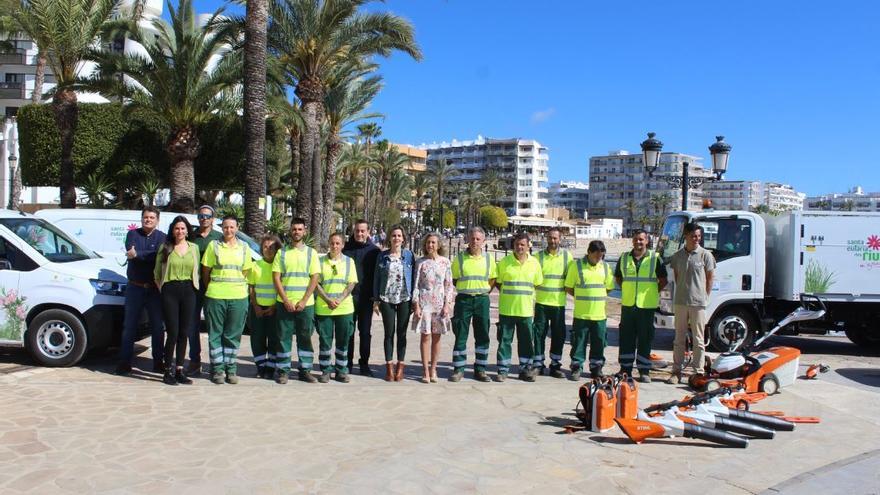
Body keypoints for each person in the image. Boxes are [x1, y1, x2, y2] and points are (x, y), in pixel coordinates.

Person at [201, 215, 254, 384]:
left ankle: (230, 369)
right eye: (225, 227)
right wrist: (213, 287)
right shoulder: (213, 246)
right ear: (221, 228)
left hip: (238, 297)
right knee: (215, 334)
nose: (228, 230)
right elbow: (206, 272)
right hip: (216, 295)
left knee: (233, 335)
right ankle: (217, 370)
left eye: (232, 227)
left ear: (237, 228)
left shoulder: (244, 247)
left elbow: (245, 271)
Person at [115, 206, 166, 375]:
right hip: (135, 287)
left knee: (158, 328)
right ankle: (124, 363)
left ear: (157, 220)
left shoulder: (163, 238)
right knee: (129, 326)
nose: (148, 220)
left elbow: (157, 256)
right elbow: (131, 252)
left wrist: (138, 255)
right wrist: (145, 255)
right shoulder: (132, 234)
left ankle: (158, 362)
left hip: (154, 290)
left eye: (152, 217)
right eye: (145, 217)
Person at [615, 229, 668, 383]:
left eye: (641, 239)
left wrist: (652, 293)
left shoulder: (654, 258)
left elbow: (663, 280)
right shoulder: (624, 258)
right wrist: (627, 290)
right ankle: (625, 369)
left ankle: (644, 370)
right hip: (628, 306)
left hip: (647, 306)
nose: (638, 242)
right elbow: (618, 278)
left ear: (647, 241)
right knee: (626, 338)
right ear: (632, 241)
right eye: (636, 239)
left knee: (645, 338)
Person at [666, 222, 716, 384]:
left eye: (699, 236)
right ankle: (676, 371)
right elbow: (677, 275)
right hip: (681, 302)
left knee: (698, 339)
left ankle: (698, 372)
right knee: (679, 338)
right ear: (686, 236)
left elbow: (710, 278)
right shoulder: (678, 256)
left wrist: (704, 296)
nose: (697, 239)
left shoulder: (705, 255)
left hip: (698, 303)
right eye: (694, 236)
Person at [273, 218, 321, 384]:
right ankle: (283, 371)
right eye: (294, 229)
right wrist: (285, 300)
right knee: (283, 338)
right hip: (284, 304)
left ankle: (305, 370)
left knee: (305, 337)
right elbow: (276, 278)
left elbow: (315, 278)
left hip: (305, 306)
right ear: (290, 231)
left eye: (300, 229)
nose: (297, 232)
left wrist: (304, 300)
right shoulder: (282, 253)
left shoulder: (311, 253)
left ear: (304, 231)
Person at [154, 216, 200, 385]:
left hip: (189, 290)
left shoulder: (194, 248)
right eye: (177, 228)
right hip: (170, 291)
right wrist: (163, 289)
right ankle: (168, 371)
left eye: (183, 228)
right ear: (172, 231)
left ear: (187, 231)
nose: (180, 231)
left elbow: (198, 270)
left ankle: (180, 369)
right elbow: (157, 273)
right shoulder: (165, 247)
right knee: (172, 332)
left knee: (184, 332)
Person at [449, 227, 497, 382]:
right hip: (464, 300)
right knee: (461, 335)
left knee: (482, 335)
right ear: (468, 240)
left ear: (483, 241)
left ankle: (481, 370)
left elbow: (492, 279)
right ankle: (459, 369)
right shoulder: (460, 258)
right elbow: (454, 279)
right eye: (472, 238)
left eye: (478, 239)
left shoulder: (489, 259)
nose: (475, 241)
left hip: (482, 300)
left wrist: (483, 291)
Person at [495, 233, 544, 382]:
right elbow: (498, 282)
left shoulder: (535, 263)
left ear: (528, 245)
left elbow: (537, 283)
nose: (519, 247)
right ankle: (503, 370)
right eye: (517, 244)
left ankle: (525, 369)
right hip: (507, 310)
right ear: (513, 245)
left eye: (523, 244)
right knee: (504, 341)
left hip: (526, 311)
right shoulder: (504, 262)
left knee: (526, 342)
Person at [564, 240, 614, 380]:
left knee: (599, 342)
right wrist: (582, 295)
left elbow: (609, 287)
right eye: (596, 255)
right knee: (578, 343)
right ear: (589, 252)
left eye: (601, 256)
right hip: (581, 314)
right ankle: (576, 367)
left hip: (599, 315)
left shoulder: (605, 267)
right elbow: (568, 287)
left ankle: (596, 368)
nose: (599, 258)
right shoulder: (577, 266)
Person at [373, 225, 415, 382]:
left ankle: (400, 367)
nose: (396, 238)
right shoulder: (382, 256)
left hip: (404, 298)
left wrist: (414, 300)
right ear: (389, 238)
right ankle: (389, 367)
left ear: (403, 238)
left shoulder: (409, 256)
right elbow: (376, 278)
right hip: (387, 298)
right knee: (388, 333)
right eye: (394, 235)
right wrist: (376, 299)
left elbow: (415, 277)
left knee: (402, 333)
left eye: (399, 235)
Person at [314, 232, 358, 383]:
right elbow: (316, 284)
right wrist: (327, 299)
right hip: (324, 307)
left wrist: (339, 299)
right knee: (325, 341)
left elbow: (351, 283)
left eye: (338, 243)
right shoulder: (319, 261)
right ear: (328, 243)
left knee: (343, 341)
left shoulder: (349, 262)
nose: (334, 246)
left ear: (343, 245)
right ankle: (325, 370)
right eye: (332, 243)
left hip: (344, 308)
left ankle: (341, 371)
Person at [411, 233, 455, 383]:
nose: (430, 245)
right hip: (425, 304)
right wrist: (416, 305)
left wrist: (447, 305)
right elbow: (416, 285)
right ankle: (425, 371)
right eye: (428, 242)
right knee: (425, 337)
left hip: (439, 305)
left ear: (439, 245)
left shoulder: (445, 262)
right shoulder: (421, 262)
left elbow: (449, 285)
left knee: (437, 338)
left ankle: (433, 369)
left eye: (433, 243)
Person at [185, 205, 223, 376]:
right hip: (193, 286)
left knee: (214, 326)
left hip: (213, 287)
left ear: (213, 219)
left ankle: (216, 363)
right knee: (191, 324)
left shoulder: (219, 237)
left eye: (207, 216)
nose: (204, 219)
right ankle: (194, 361)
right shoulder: (191, 235)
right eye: (201, 216)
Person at [343, 220, 380, 376]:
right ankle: (347, 363)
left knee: (365, 332)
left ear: (368, 231)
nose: (359, 234)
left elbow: (378, 276)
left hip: (366, 299)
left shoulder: (374, 251)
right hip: (348, 298)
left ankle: (364, 364)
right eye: (357, 231)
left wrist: (376, 299)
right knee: (348, 332)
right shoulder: (345, 250)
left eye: (362, 231)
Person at [533, 227, 571, 378]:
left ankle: (555, 365)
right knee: (538, 334)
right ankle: (538, 364)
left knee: (558, 335)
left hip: (558, 303)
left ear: (560, 239)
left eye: (555, 238)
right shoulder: (537, 257)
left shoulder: (567, 257)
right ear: (546, 239)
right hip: (542, 302)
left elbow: (570, 278)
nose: (552, 241)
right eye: (550, 238)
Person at [247, 234, 282, 379]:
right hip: (258, 310)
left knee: (274, 339)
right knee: (257, 339)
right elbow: (251, 288)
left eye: (272, 247)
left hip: (274, 310)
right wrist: (255, 307)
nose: (268, 250)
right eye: (265, 247)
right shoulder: (255, 265)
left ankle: (271, 368)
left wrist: (274, 306)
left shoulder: (279, 266)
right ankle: (260, 367)